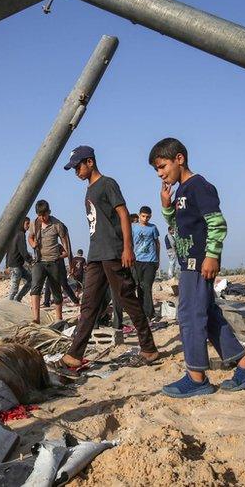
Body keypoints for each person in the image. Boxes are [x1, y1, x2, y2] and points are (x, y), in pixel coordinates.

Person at [146, 138, 245, 397]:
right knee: (208, 315)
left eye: (162, 166)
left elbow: (217, 224)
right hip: (189, 263)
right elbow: (177, 228)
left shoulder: (199, 186)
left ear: (179, 159)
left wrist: (212, 256)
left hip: (197, 264)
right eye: (156, 170)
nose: (160, 173)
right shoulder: (180, 192)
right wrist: (166, 207)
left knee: (189, 317)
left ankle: (196, 377)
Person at [55, 146, 158, 375]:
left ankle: (149, 348)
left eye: (78, 166)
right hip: (95, 254)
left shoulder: (107, 184)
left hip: (112, 252)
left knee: (127, 299)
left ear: (90, 162)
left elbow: (123, 214)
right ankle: (74, 354)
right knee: (88, 304)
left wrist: (128, 248)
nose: (76, 172)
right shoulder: (89, 189)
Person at [28, 199, 72, 323]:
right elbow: (30, 237)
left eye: (44, 215)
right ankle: (36, 318)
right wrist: (33, 244)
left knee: (56, 290)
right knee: (35, 287)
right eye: (39, 215)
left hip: (54, 262)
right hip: (39, 261)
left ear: (49, 212)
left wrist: (66, 254)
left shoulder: (57, 224)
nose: (42, 218)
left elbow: (64, 240)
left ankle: (59, 318)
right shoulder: (34, 223)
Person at [131, 206, 161, 321]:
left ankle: (149, 313)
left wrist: (157, 259)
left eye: (147, 217)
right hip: (137, 261)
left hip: (150, 261)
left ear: (151, 216)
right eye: (143, 216)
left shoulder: (153, 228)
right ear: (139, 215)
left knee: (147, 286)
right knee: (138, 286)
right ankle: (141, 312)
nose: (145, 218)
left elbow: (157, 244)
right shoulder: (133, 228)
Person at [6, 217, 33, 301]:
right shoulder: (20, 234)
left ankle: (17, 299)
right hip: (15, 266)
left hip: (17, 265)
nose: (28, 226)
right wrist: (31, 261)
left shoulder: (14, 234)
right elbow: (23, 251)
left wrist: (7, 265)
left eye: (29, 223)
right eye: (27, 223)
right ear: (22, 224)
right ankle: (9, 305)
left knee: (31, 280)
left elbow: (7, 251)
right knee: (14, 289)